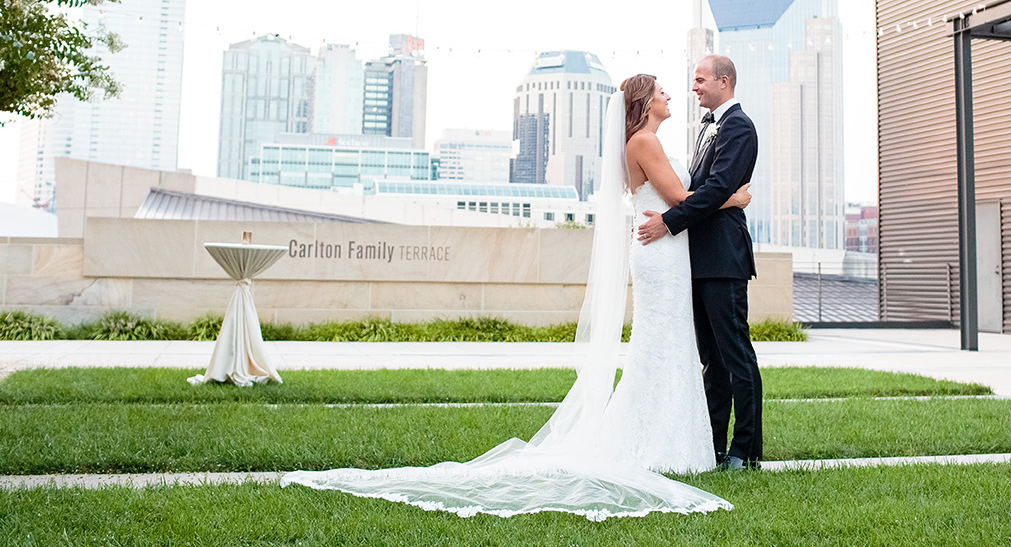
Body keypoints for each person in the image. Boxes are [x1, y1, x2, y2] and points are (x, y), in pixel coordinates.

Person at [281, 78, 749, 520]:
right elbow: (678, 197)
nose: (671, 94)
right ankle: (661, 443)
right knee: (663, 343)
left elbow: (673, 199)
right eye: (662, 90)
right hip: (661, 251)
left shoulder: (644, 142)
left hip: (666, 250)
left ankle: (673, 440)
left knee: (668, 342)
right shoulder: (644, 142)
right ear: (645, 102)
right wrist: (733, 199)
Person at [637, 54, 762, 471]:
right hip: (696, 258)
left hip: (723, 257)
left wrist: (668, 223)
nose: (694, 87)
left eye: (700, 80)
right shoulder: (707, 128)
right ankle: (712, 447)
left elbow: (716, 189)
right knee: (713, 360)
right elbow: (705, 190)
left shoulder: (739, 127)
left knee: (736, 355)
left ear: (724, 82)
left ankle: (745, 451)